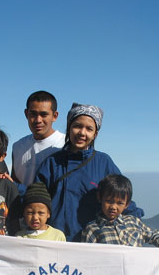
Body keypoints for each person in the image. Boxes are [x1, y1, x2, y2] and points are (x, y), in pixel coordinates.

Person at [35, 103, 144, 241]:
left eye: (89, 129)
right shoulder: (52, 162)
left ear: (95, 134)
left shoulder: (103, 162)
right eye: (77, 126)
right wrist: (9, 185)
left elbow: (120, 196)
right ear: (69, 128)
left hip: (92, 241)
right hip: (56, 239)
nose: (82, 132)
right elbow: (35, 197)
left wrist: (144, 227)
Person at [11, 91, 65, 187]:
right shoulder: (18, 147)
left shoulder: (65, 144)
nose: (38, 120)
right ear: (26, 114)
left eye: (44, 115)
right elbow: (15, 184)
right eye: (33, 114)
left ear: (55, 116)